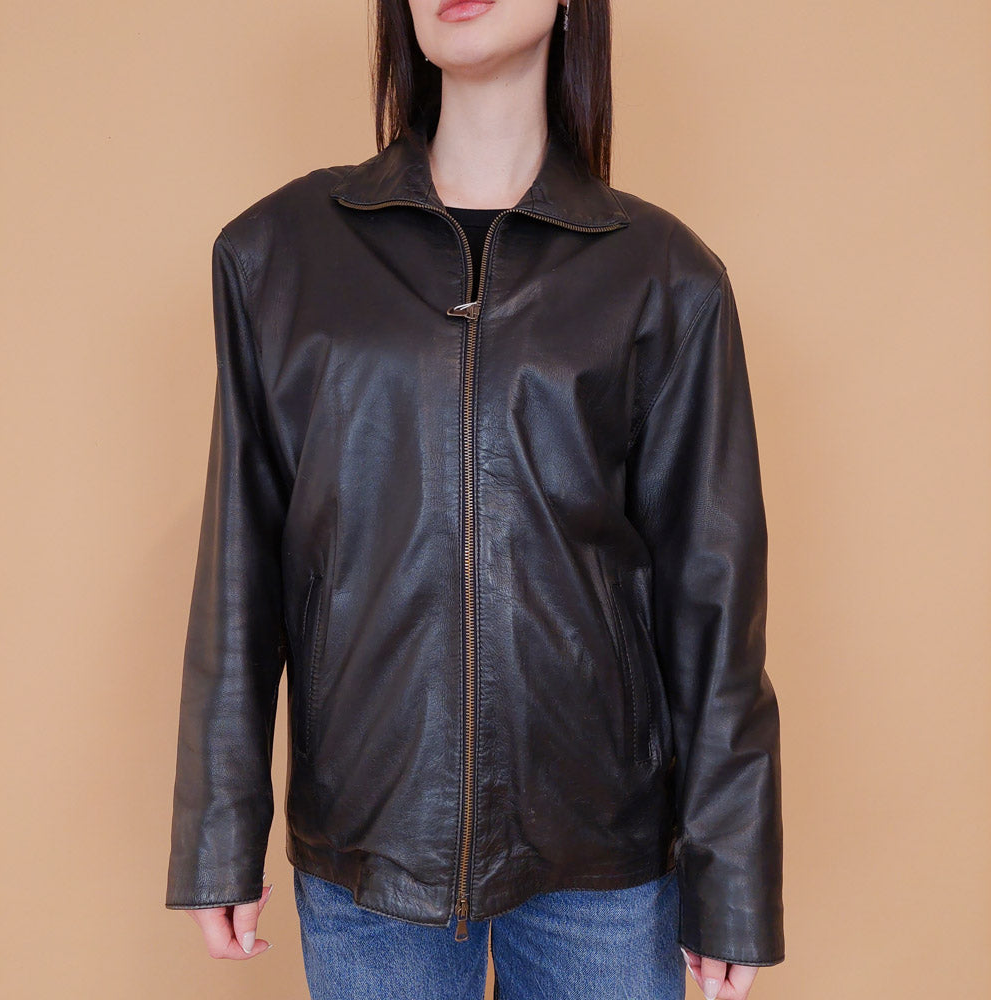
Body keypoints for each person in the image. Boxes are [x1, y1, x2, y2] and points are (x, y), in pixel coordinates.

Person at [164, 1, 785, 998]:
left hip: (604, 864)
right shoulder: (280, 253)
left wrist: (733, 879)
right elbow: (241, 560)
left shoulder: (665, 276)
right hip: (370, 850)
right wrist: (218, 832)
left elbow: (712, 599)